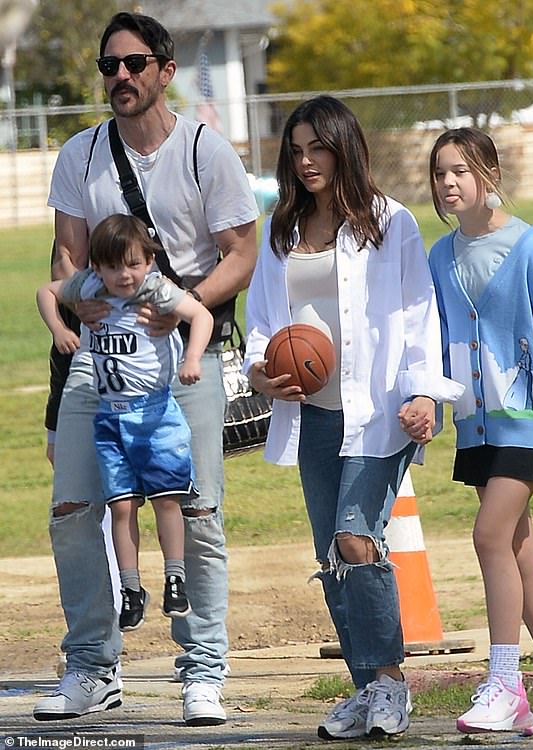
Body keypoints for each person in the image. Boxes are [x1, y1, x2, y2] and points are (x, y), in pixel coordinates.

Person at [32, 12, 259, 726]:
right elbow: (66, 253)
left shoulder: (204, 152)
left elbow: (242, 252)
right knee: (73, 512)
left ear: (165, 69)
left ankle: (203, 671)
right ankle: (92, 667)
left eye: (134, 64)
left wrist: (183, 308)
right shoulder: (81, 153)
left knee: (196, 512)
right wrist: (80, 306)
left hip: (178, 360)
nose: (120, 77)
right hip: (96, 363)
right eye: (109, 67)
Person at [242, 95, 463, 741]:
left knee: (355, 538)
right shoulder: (281, 228)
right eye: (297, 150)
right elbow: (261, 322)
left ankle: (391, 682)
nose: (307, 161)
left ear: (344, 147)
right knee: (333, 555)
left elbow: (422, 316)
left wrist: (424, 393)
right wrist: (260, 370)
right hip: (312, 414)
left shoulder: (390, 222)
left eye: (319, 147)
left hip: (381, 410)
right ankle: (367, 690)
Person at [422, 127, 533, 736]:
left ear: (489, 176)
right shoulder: (439, 257)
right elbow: (435, 342)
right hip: (477, 428)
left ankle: (505, 684)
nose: (449, 182)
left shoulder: (528, 247)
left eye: (461, 171)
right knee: (519, 552)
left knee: (489, 538)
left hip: (526, 422)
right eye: (441, 171)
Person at [37, 214, 214, 631]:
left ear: (149, 262)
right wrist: (61, 326)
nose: (124, 274)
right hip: (110, 420)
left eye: (134, 264)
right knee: (121, 507)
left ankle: (175, 577)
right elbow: (46, 291)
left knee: (168, 500)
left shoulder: (155, 289)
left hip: (155, 416)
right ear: (95, 267)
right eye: (113, 266)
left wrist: (191, 358)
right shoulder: (90, 289)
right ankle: (132, 589)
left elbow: (201, 316)